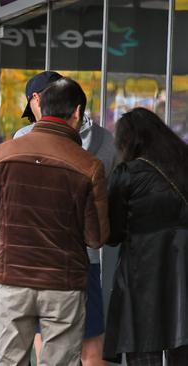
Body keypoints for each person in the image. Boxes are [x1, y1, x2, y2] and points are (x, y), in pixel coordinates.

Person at [0, 77, 109, 366]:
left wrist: (14, 232)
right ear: (77, 112)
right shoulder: (88, 165)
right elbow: (96, 237)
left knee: (6, 361)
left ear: (39, 106)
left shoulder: (3, 154)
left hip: (14, 279)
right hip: (64, 281)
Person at [15, 71, 118, 366]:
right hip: (85, 259)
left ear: (38, 99)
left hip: (34, 261)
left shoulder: (23, 139)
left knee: (43, 347)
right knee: (91, 350)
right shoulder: (106, 142)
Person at [103, 107, 188, 365]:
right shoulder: (184, 165)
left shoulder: (127, 173)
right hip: (184, 271)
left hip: (142, 272)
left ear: (129, 141)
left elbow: (113, 233)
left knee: (142, 346)